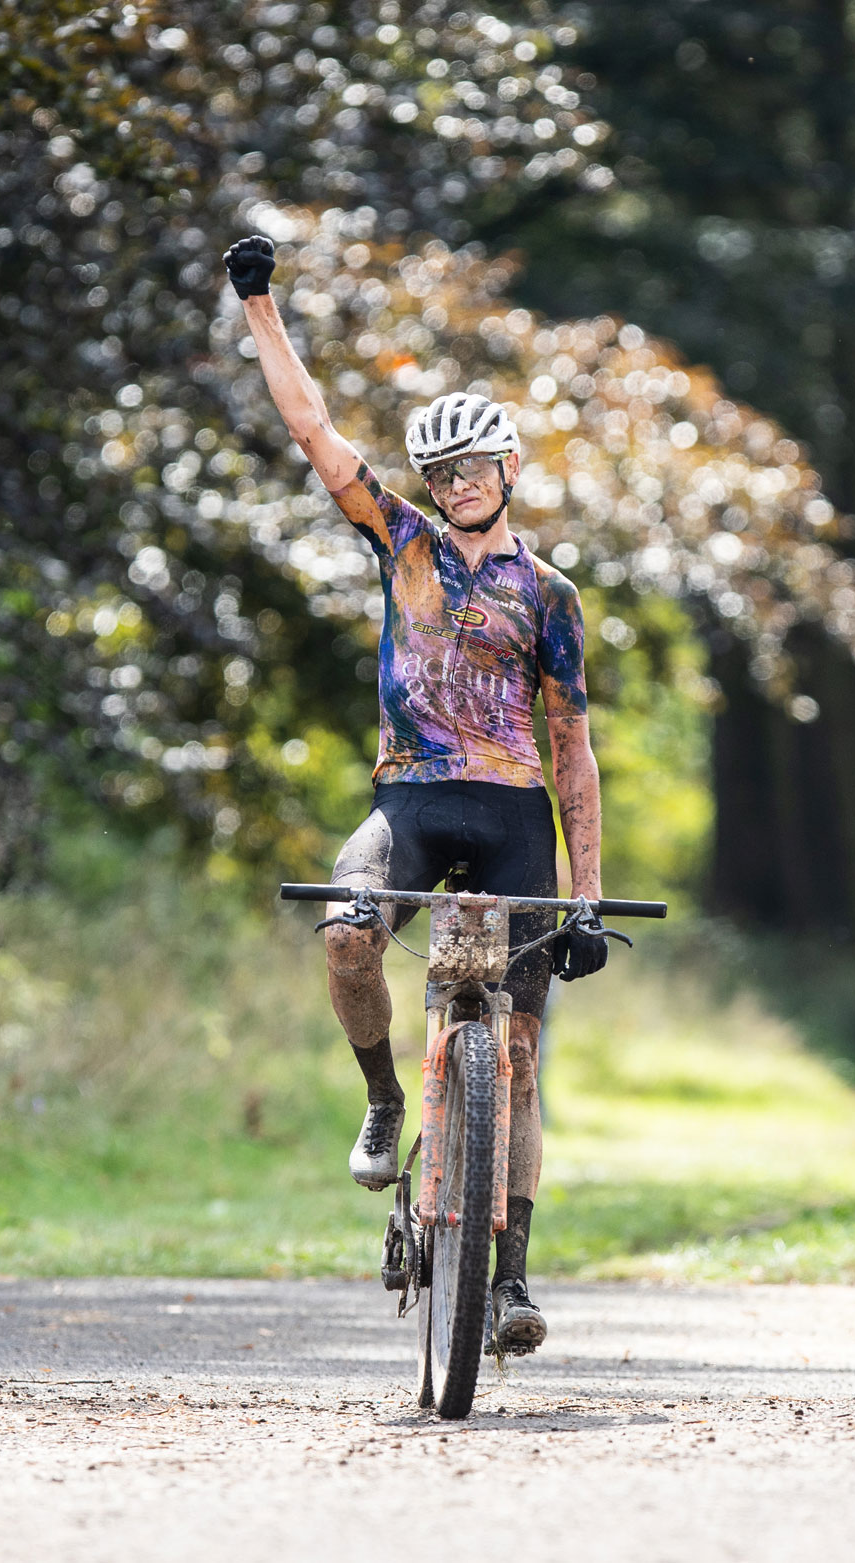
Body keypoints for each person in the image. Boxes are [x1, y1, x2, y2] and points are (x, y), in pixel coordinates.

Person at [224, 233, 610, 1356]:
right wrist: (258, 305)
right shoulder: (401, 543)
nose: (457, 486)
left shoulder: (550, 595)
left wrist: (587, 894)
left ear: (509, 469)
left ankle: (512, 1278)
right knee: (348, 934)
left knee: (519, 1057)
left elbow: (573, 748)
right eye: (442, 474)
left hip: (513, 816)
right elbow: (313, 430)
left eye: (474, 467)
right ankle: (387, 1097)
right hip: (411, 800)